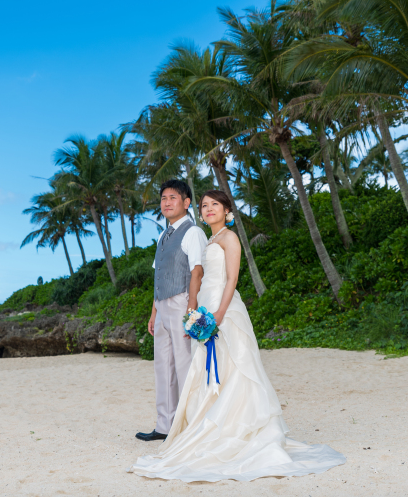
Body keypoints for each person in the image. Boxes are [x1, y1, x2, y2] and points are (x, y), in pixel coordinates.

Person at [129, 190, 346, 482]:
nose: (208, 210)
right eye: (205, 206)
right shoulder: (208, 240)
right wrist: (195, 309)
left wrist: (219, 313)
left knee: (236, 366)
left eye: (214, 205)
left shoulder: (230, 238)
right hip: (206, 304)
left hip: (224, 307)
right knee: (207, 369)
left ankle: (237, 428)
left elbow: (232, 278)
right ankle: (205, 424)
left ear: (227, 210)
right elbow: (199, 276)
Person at [135, 180, 208, 442]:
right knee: (163, 367)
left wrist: (191, 309)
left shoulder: (193, 232)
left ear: (186, 203)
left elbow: (197, 270)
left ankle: (189, 425)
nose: (166, 202)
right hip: (163, 305)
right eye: (163, 198)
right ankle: (164, 425)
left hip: (181, 303)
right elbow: (159, 277)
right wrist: (154, 313)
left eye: (173, 197)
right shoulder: (162, 235)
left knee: (184, 364)